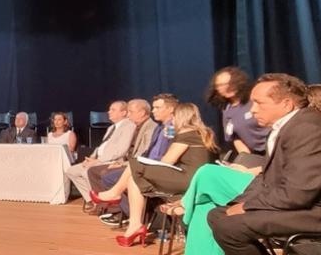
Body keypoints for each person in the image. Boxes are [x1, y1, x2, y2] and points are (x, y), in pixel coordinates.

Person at [173, 82, 321, 255]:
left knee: (208, 176)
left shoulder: (316, 134)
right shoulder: (295, 131)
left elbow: (300, 185)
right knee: (209, 207)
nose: (254, 110)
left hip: (305, 204)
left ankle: (186, 213)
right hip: (280, 191)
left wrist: (249, 198)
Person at [208, 74, 321, 255]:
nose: (252, 109)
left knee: (230, 227)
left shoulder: (308, 129)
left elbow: (298, 192)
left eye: (259, 103)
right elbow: (270, 182)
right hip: (305, 206)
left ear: (287, 104)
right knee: (217, 216)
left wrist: (246, 208)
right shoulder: (290, 126)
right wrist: (238, 203)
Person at [114, 102, 217, 246]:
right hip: (197, 179)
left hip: (188, 181)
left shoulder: (187, 134)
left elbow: (166, 162)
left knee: (135, 164)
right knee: (134, 178)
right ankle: (134, 226)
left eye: (174, 116)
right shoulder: (204, 133)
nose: (172, 120)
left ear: (180, 117)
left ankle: (115, 194)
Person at [94, 94, 179, 226]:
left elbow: (162, 156)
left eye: (157, 107)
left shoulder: (171, 128)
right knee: (112, 175)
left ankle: (138, 217)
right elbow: (149, 152)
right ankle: (135, 216)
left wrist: (138, 163)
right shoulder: (161, 127)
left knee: (112, 176)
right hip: (147, 165)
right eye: (154, 107)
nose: (153, 110)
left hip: (158, 169)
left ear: (170, 109)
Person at [74, 99, 155, 211]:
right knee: (90, 171)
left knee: (104, 173)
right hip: (128, 163)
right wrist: (93, 157)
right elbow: (103, 145)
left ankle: (118, 210)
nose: (128, 115)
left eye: (130, 112)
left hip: (136, 166)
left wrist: (120, 163)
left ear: (141, 113)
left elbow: (141, 155)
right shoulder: (133, 126)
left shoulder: (149, 128)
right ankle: (104, 205)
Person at [63, 101, 135, 209]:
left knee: (87, 171)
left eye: (113, 110)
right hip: (99, 159)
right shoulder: (112, 128)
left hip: (113, 160)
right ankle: (91, 199)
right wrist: (92, 157)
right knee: (71, 171)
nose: (109, 112)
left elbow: (121, 150)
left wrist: (99, 161)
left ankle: (100, 203)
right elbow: (102, 146)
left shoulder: (129, 126)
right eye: (109, 109)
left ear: (124, 112)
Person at [207, 67, 268, 160]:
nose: (226, 87)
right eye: (220, 85)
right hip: (256, 155)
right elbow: (234, 137)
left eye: (229, 83)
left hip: (275, 150)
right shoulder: (227, 110)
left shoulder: (254, 101)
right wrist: (248, 159)